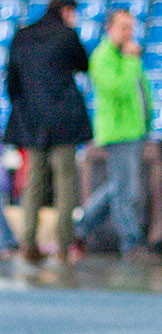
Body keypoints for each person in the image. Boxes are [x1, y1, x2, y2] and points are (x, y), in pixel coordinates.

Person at [2, 0, 92, 264]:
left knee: (33, 180)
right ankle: (64, 246)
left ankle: (28, 243)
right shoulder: (66, 34)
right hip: (63, 120)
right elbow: (84, 64)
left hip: (31, 121)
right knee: (65, 182)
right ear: (66, 11)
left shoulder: (22, 35)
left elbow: (12, 82)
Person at [74, 9, 151, 259]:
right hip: (118, 132)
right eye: (123, 28)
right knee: (126, 191)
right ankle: (131, 242)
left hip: (134, 130)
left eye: (131, 27)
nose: (129, 34)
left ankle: (81, 226)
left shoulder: (126, 57)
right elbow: (119, 88)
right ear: (110, 29)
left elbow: (143, 91)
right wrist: (131, 60)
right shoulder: (102, 57)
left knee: (118, 187)